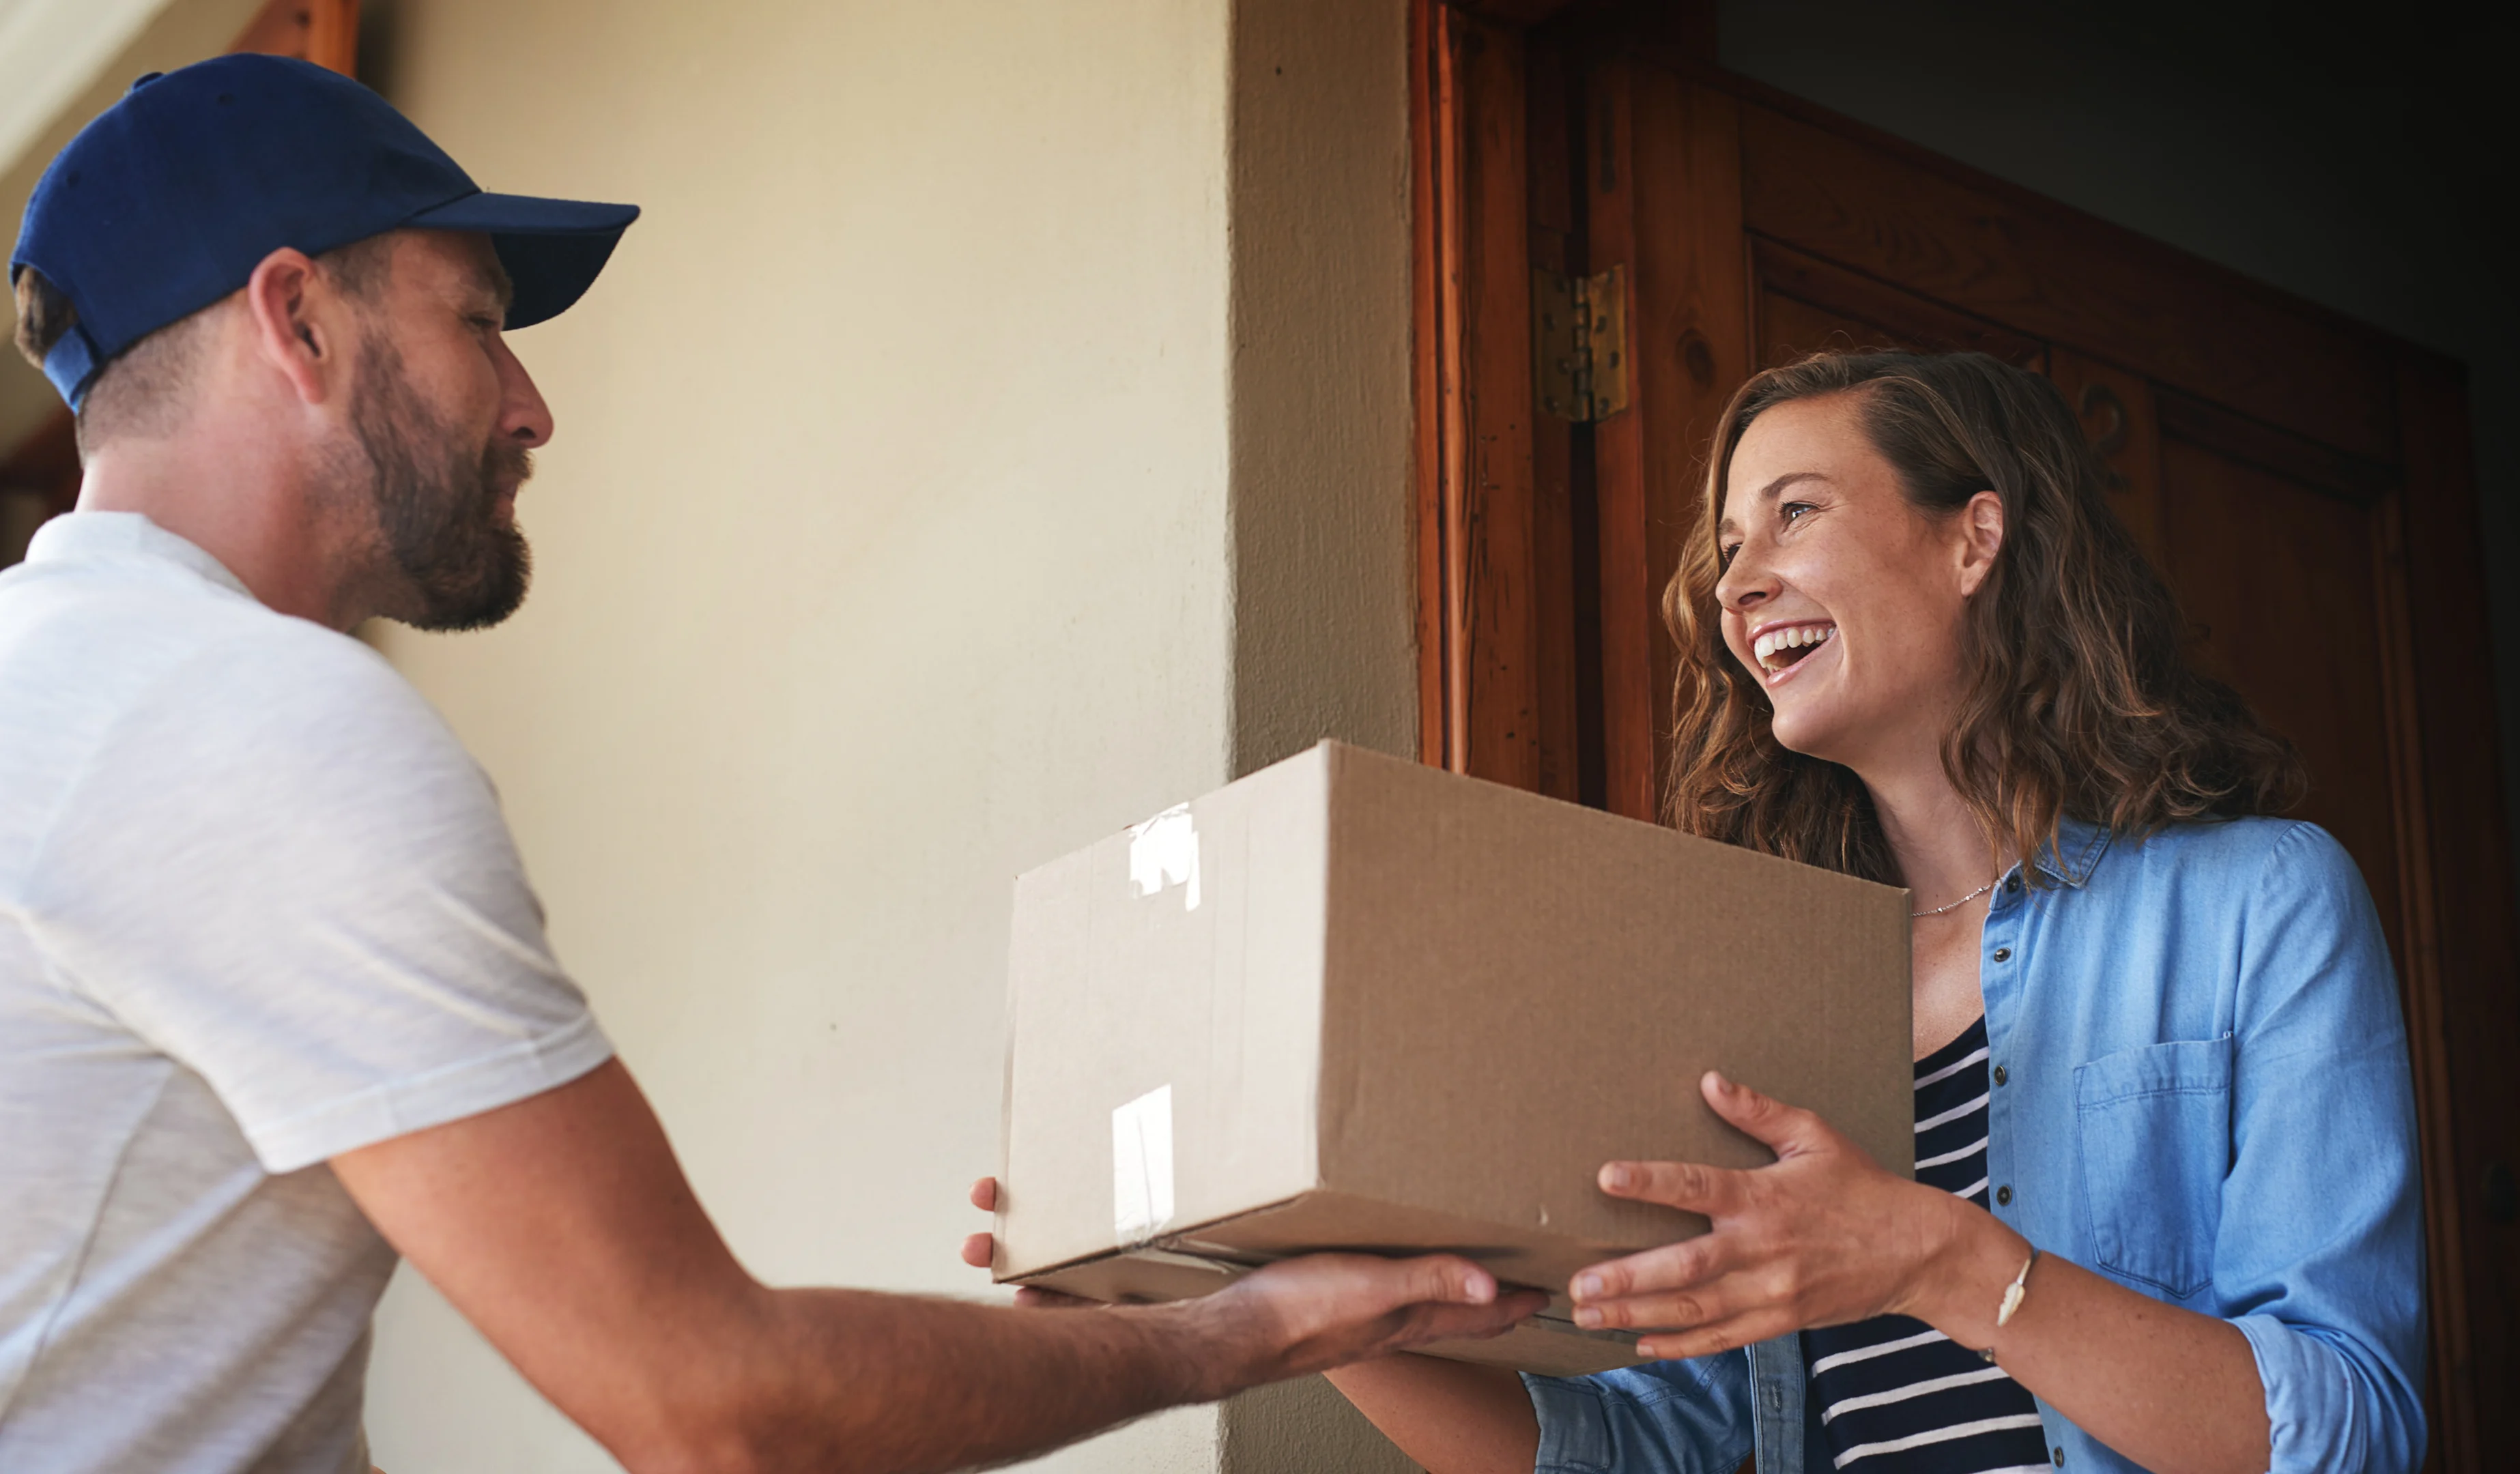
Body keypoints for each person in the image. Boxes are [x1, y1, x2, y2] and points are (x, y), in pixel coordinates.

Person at [0, 55, 1536, 1474]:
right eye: (478, 320)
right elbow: (717, 1403)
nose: (532, 404)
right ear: (300, 321)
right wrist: (1245, 1330)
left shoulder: (64, 688)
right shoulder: (246, 726)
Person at [1289, 352, 2426, 1473]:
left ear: (1972, 538)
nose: (1737, 587)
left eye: (1797, 515)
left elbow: (2353, 1434)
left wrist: (1936, 1260)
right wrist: (1297, 1308)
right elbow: (1633, 1445)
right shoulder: (1766, 999)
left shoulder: (2261, 905)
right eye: (1733, 548)